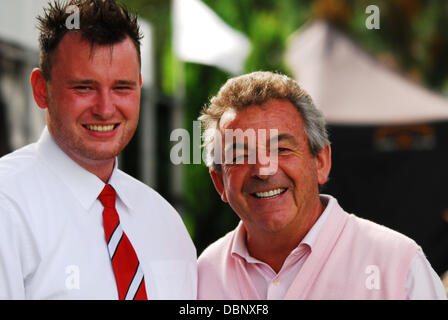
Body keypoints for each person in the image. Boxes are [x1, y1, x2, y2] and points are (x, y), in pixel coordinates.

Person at [0, 0, 196, 299]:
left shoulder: (166, 224)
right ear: (42, 89)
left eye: (122, 88)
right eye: (84, 87)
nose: (105, 109)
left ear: (139, 87)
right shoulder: (8, 207)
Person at [197, 71, 446, 299]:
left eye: (282, 149)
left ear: (321, 162)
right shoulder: (203, 276)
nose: (263, 170)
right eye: (241, 156)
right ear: (219, 181)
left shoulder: (397, 266)